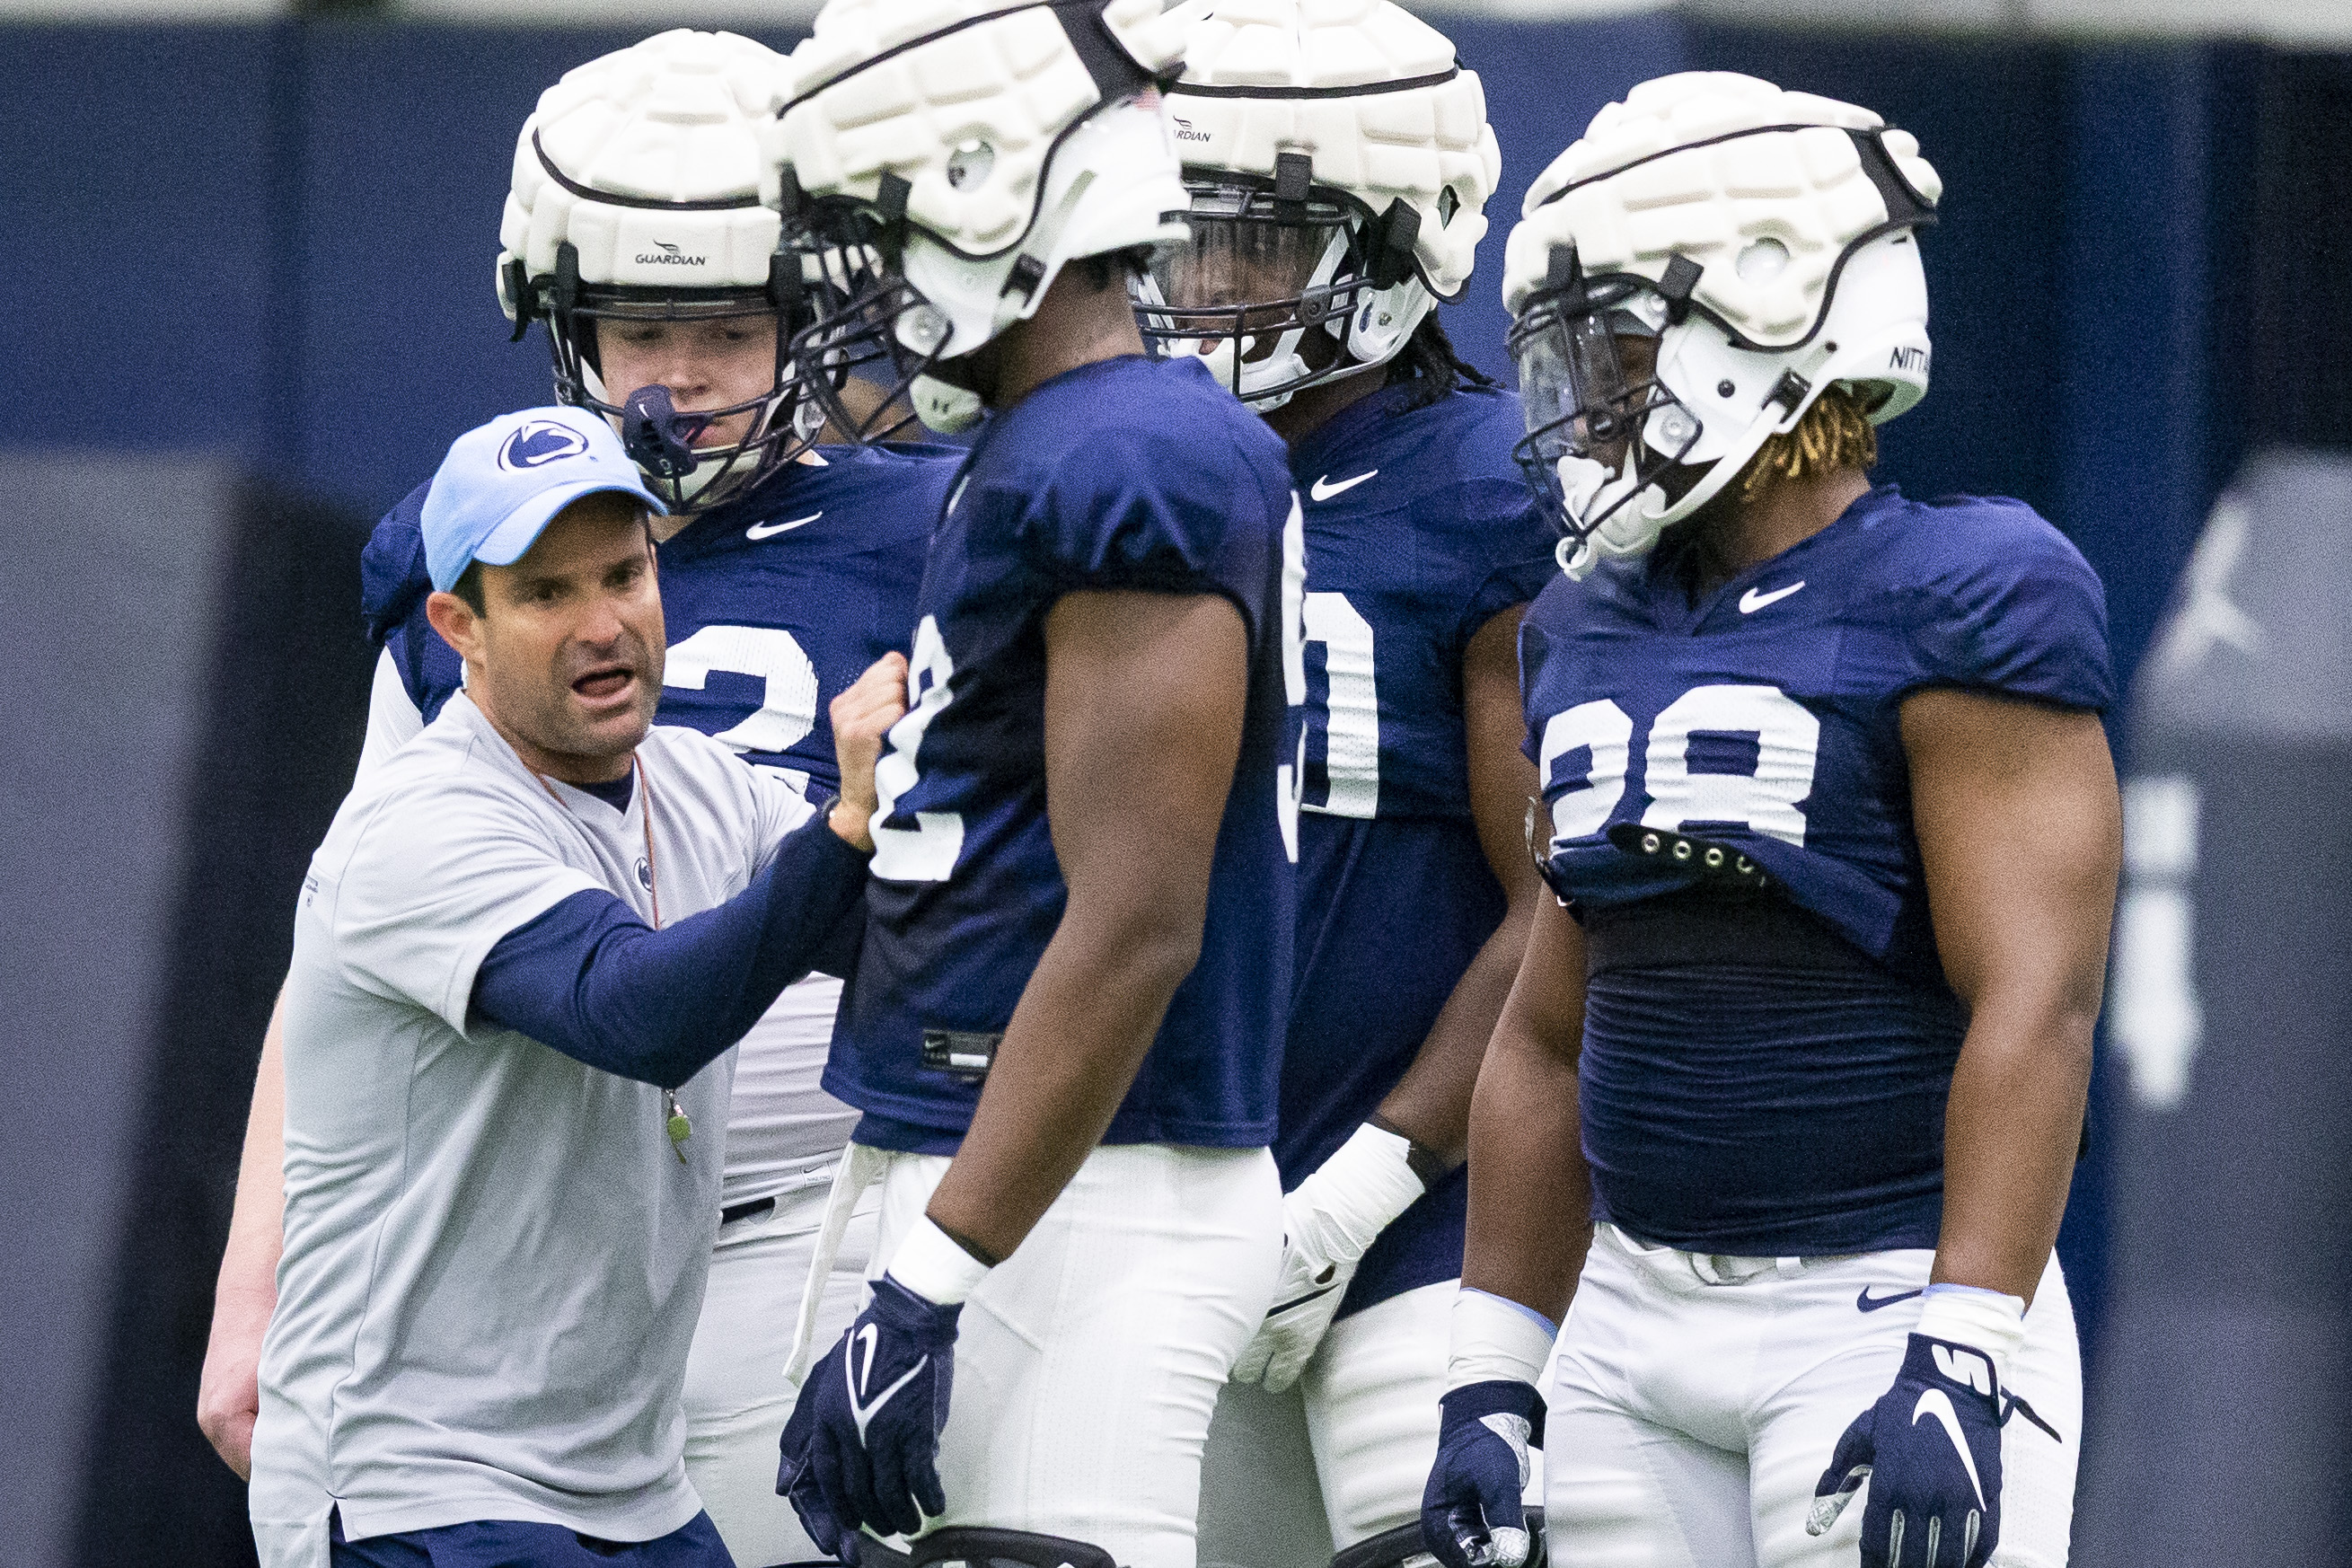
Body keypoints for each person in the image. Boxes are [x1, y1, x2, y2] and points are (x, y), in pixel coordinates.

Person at [199, 31, 961, 1567]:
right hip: (503, 1259)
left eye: (728, 329)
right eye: (637, 329)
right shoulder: (462, 545)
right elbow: (348, 946)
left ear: (812, 317)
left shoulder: (943, 520)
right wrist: (252, 1278)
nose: (678, 379)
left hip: (829, 1220)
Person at [1420, 72, 2120, 1568]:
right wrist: (1493, 1361)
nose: (1586, 402)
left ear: (1775, 322)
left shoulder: (1961, 589)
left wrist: (1967, 1337)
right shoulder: (1583, 623)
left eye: (1616, 348)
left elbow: (2038, 1002)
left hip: (1875, 1305)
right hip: (1628, 1316)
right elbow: (1552, 1023)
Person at [767, 4, 1301, 1566]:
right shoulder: (1056, 437)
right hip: (1011, 1165)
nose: (857, 286)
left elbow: (1137, 921)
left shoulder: (1126, 449)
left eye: (879, 229)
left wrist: (935, 1275)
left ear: (994, 193)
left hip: (1092, 1187)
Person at [248, 405, 907, 1568]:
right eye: (547, 594)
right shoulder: (420, 825)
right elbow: (641, 1011)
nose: (604, 626)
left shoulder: (701, 782)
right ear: (462, 625)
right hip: (416, 1481)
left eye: (624, 573)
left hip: (635, 1490)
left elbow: (900, 943)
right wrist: (852, 822)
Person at [1136, 4, 1552, 1564]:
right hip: (1173, 1195)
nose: (1199, 290)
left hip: (1431, 1214)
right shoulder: (1124, 468)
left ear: (1395, 238)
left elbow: (1558, 905)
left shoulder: (1492, 485)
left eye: (1250, 246)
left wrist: (1363, 1183)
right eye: (1175, 243)